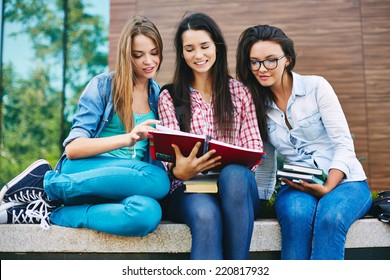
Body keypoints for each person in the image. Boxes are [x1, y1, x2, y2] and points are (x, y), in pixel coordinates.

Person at [0, 15, 170, 237]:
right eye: (139, 55)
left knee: (147, 214)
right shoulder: (103, 86)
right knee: (157, 180)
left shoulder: (159, 96)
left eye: (154, 53)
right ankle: (49, 184)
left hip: (126, 184)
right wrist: (128, 138)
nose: (149, 61)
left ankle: (51, 212)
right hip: (82, 173)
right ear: (126, 56)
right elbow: (73, 149)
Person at [236, 24, 372, 259]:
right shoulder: (256, 103)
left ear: (287, 59)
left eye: (271, 60)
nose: (262, 68)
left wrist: (328, 185)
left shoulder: (316, 87)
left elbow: (343, 144)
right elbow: (265, 161)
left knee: (331, 218)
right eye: (254, 62)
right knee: (296, 216)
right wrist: (258, 203)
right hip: (298, 185)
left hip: (346, 182)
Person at [158, 12, 263, 260]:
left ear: (216, 46)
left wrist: (233, 162)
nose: (198, 55)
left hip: (236, 191)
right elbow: (167, 157)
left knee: (234, 174)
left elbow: (254, 151)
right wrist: (177, 170)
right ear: (182, 53)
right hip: (190, 190)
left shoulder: (239, 93)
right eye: (190, 49)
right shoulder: (170, 97)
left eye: (204, 46)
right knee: (206, 215)